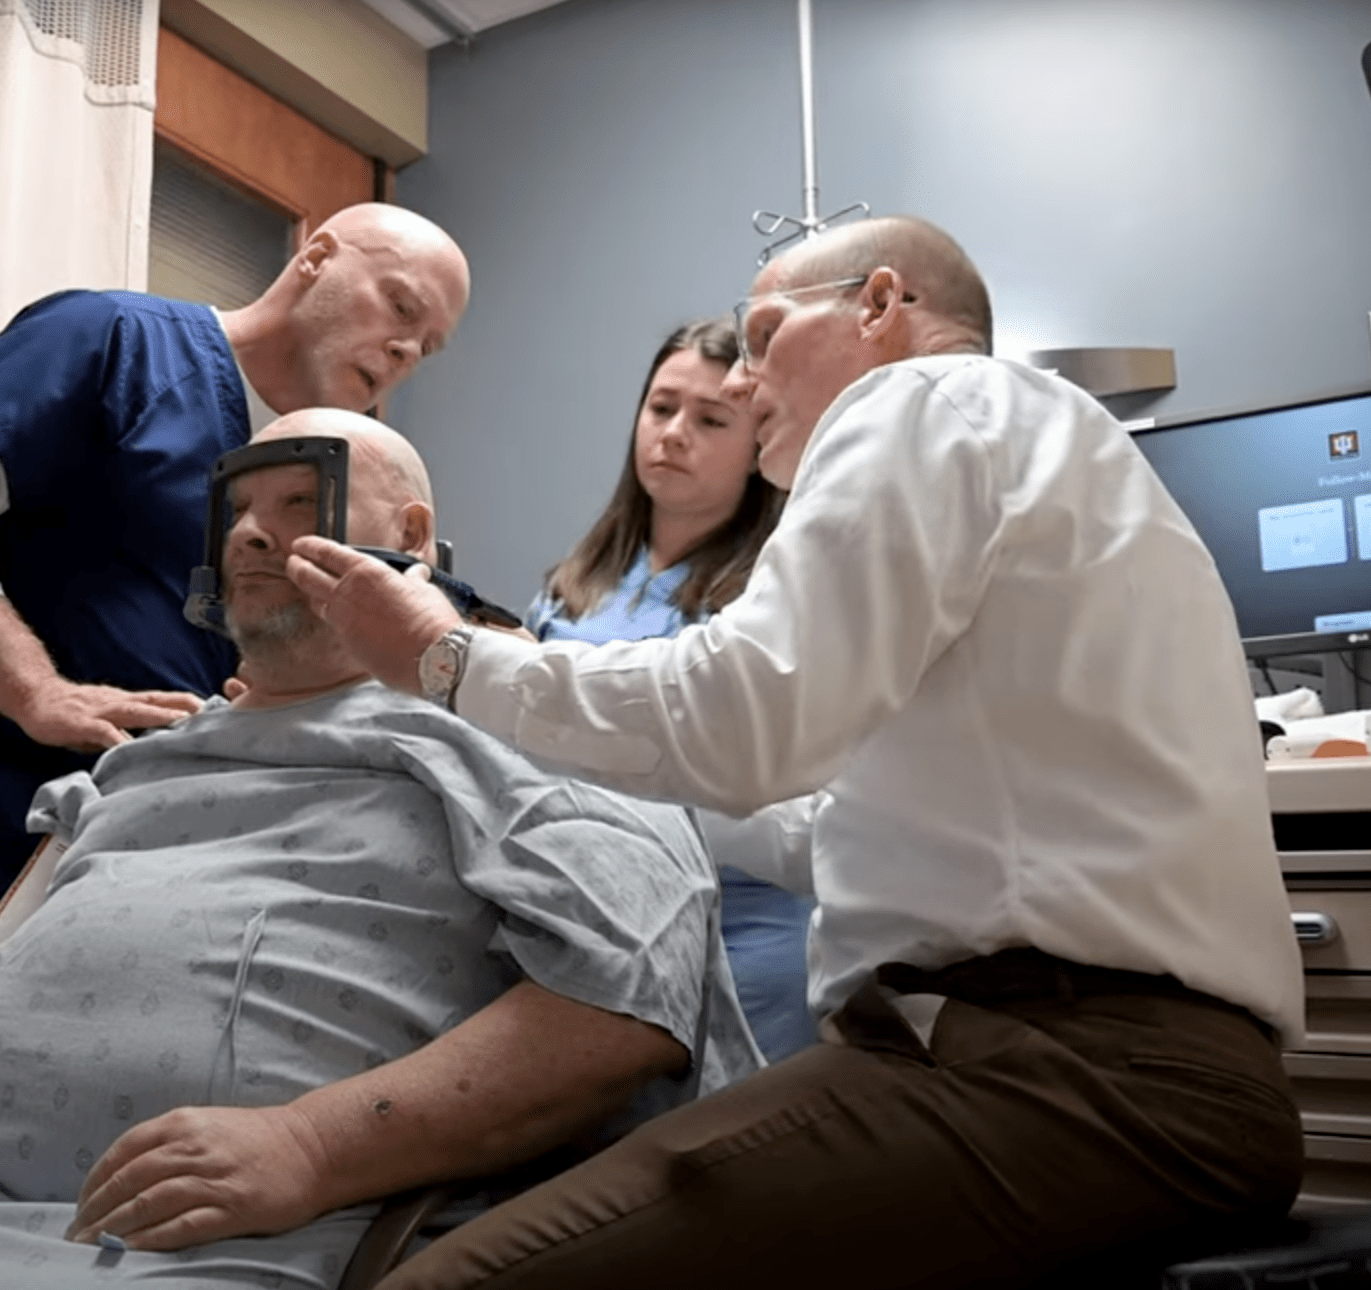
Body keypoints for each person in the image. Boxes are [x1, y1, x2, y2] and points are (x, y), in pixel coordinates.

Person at [285, 216, 1306, 1288]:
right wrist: (568, 750)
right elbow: (840, 832)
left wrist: (442, 658)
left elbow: (747, 715)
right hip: (1153, 1079)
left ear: (878, 305)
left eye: (766, 335)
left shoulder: (926, 398)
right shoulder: (1049, 461)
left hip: (1067, 1074)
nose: (747, 376)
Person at [0, 409, 759, 1290]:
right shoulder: (148, 757)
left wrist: (306, 1147)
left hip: (207, 1233)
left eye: (301, 503)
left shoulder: (527, 722)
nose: (254, 533)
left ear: (411, 535)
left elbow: (624, 997)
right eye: (238, 510)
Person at [0, 204, 473, 1103]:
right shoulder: (118, 341)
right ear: (316, 257)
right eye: (398, 307)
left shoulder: (333, 465)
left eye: (425, 347)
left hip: (144, 836)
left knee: (50, 1095)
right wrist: (38, 692)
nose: (402, 352)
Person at [527, 317, 816, 1063]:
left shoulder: (774, 597)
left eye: (711, 419)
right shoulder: (573, 588)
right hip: (590, 923)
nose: (674, 433)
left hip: (742, 929)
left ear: (758, 449)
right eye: (660, 408)